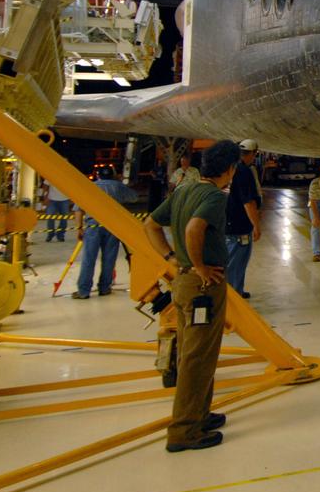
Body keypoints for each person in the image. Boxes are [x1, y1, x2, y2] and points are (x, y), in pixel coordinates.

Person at [144, 138, 241, 453]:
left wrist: (171, 258)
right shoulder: (214, 196)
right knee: (198, 359)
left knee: (195, 352)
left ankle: (199, 414)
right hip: (202, 286)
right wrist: (201, 267)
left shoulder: (184, 191)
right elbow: (194, 229)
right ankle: (184, 431)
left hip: (183, 283)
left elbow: (150, 224)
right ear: (229, 169)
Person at [73, 167, 139, 299]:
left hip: (93, 227)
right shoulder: (118, 187)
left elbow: (78, 210)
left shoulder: (90, 187)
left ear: (98, 175)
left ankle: (83, 291)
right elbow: (134, 198)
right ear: (113, 175)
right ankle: (104, 288)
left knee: (88, 259)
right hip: (112, 227)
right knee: (109, 258)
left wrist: (79, 228)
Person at [223, 139, 262, 299]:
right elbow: (248, 201)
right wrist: (256, 225)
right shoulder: (244, 171)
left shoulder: (230, 168)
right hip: (239, 226)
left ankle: (237, 288)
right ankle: (233, 295)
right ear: (253, 154)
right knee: (237, 262)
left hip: (228, 221)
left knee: (235, 261)